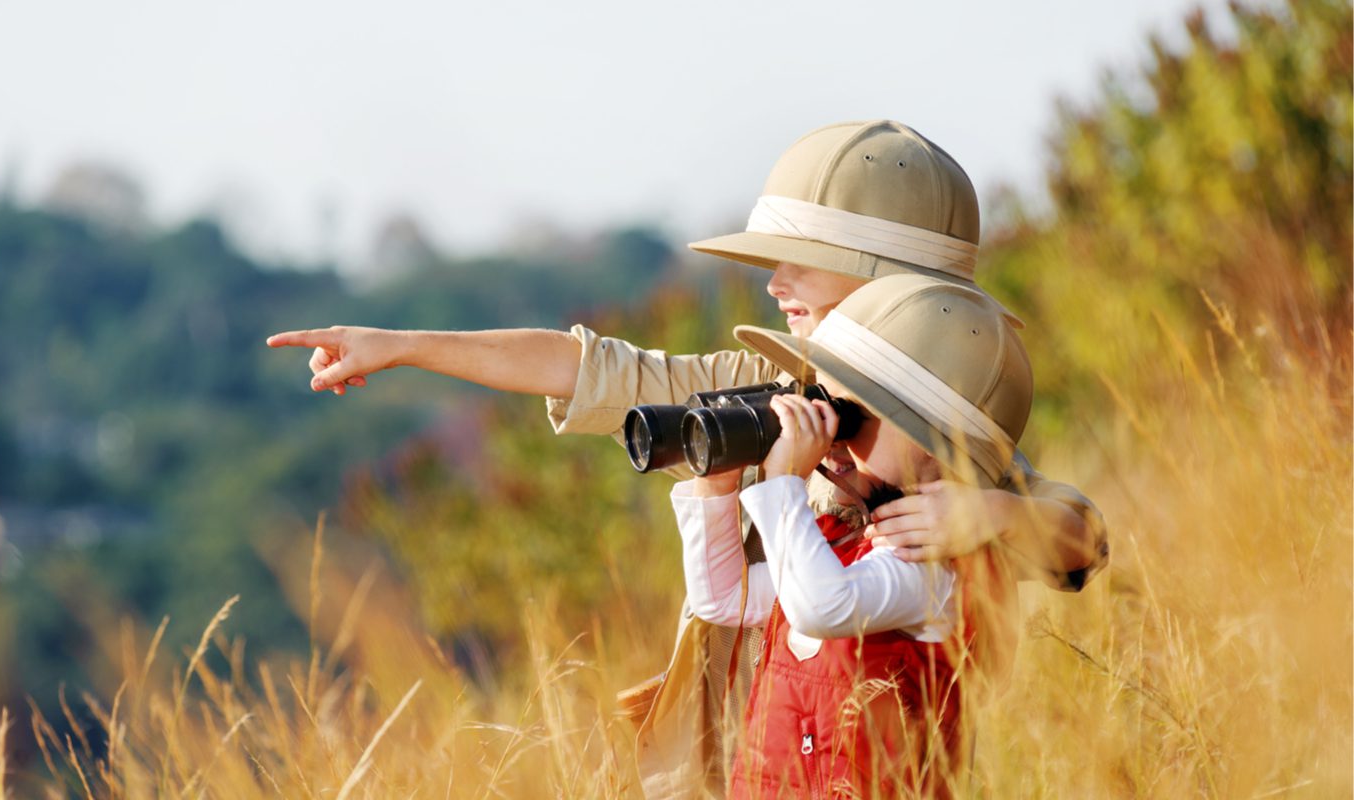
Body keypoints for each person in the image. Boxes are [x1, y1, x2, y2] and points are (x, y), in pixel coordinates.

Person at [267, 120, 1108, 796]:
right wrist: (404, 345)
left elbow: (1082, 542)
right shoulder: (762, 383)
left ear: (892, 282)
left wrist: (994, 513)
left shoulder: (934, 434)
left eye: (802, 265)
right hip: (730, 759)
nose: (775, 284)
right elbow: (586, 367)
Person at [674, 272, 1029, 796]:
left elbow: (823, 606)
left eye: (851, 417)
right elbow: (725, 598)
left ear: (935, 444)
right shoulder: (840, 542)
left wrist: (784, 481)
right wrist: (717, 486)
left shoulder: (929, 563)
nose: (832, 436)